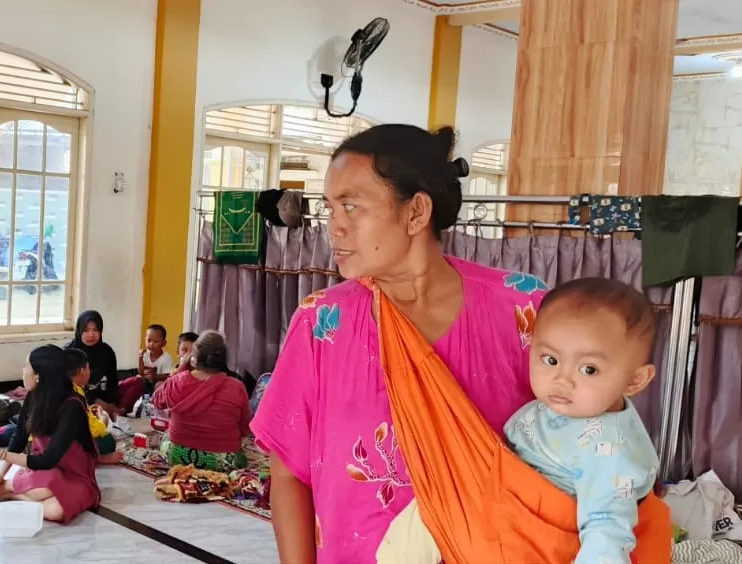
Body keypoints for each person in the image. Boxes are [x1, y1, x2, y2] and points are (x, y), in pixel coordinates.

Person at [250, 125, 546, 562]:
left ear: (416, 213)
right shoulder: (322, 322)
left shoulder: (524, 311)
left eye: (351, 206)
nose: (334, 228)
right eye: (330, 208)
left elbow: (583, 442)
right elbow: (290, 470)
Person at [505, 278, 660, 564]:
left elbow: (607, 533)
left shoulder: (609, 455)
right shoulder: (573, 406)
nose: (561, 379)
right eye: (550, 360)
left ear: (634, 380)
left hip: (543, 539)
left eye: (588, 369)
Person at [0, 345, 101, 524]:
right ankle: (6, 487)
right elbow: (18, 440)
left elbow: (49, 459)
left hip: (75, 476)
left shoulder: (73, 405)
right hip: (47, 472)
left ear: (39, 376)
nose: (23, 371)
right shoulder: (33, 397)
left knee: (55, 511)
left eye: (27, 367)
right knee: (43, 488)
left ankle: (10, 491)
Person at [152, 331, 251, 472]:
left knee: (163, 439)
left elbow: (156, 400)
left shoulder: (177, 381)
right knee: (240, 458)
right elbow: (245, 425)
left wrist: (181, 369)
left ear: (194, 357)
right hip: (223, 460)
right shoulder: (236, 386)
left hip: (177, 455)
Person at [64, 348, 123, 464]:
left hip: (40, 443)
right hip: (62, 447)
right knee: (108, 441)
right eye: (88, 368)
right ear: (82, 371)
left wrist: (88, 411)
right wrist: (103, 417)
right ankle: (96, 458)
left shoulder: (58, 387)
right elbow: (96, 430)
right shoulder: (76, 394)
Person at [66, 311, 119, 417]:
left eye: (95, 330)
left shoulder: (106, 351)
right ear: (79, 330)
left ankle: (116, 410)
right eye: (86, 330)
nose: (91, 335)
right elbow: (68, 385)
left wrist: (111, 404)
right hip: (77, 396)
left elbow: (112, 380)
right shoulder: (70, 352)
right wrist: (95, 401)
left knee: (135, 383)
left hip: (99, 392)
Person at [117, 324, 176, 414]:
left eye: (156, 341)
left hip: (156, 384)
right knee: (136, 380)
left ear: (164, 343)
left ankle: (156, 406)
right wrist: (140, 357)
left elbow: (168, 376)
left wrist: (155, 377)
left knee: (160, 385)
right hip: (144, 382)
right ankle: (123, 404)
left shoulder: (166, 358)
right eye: (149, 340)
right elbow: (140, 372)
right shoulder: (145, 354)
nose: (151, 344)